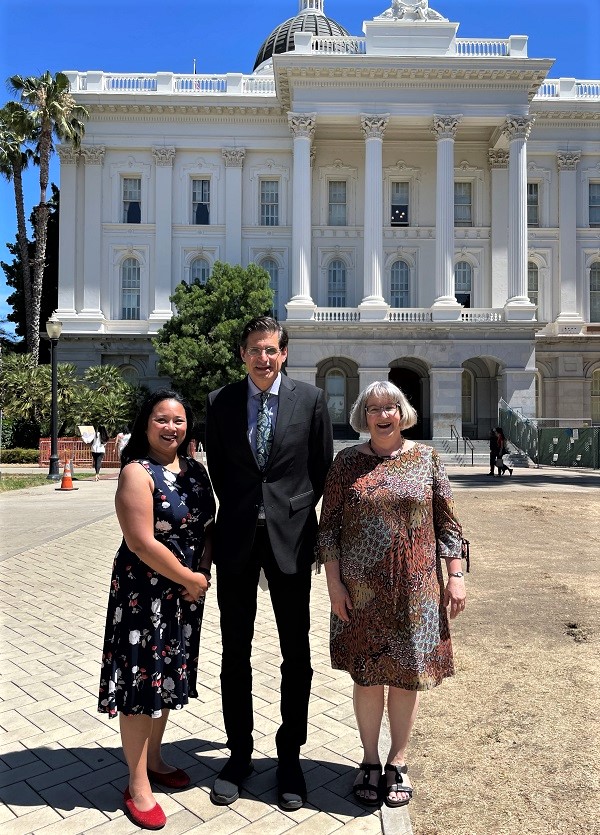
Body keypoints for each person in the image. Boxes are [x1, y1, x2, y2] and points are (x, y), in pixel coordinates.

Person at [317, 381, 466, 809]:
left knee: (405, 678)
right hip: (359, 594)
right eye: (373, 408)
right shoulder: (346, 463)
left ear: (403, 413)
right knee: (366, 676)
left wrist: (455, 575)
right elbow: (327, 530)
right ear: (362, 416)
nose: (382, 415)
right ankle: (368, 761)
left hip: (415, 591)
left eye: (390, 407)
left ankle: (397, 761)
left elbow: (448, 524)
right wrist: (334, 585)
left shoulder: (427, 459)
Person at [205, 315, 333, 811]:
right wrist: (243, 508)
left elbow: (320, 467)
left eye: (271, 350)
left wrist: (292, 509)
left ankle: (290, 756)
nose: (263, 357)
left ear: (284, 354)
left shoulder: (311, 400)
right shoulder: (221, 403)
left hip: (292, 540)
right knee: (234, 652)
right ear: (243, 354)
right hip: (237, 538)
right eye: (254, 349)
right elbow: (219, 466)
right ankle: (239, 754)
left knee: (294, 652)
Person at [98, 390, 215, 830]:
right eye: (162, 419)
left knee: (164, 679)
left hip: (184, 595)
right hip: (143, 593)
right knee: (139, 681)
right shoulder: (135, 472)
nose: (171, 427)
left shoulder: (195, 471)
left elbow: (208, 526)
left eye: (179, 420)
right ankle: (136, 780)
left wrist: (199, 573)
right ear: (146, 424)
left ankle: (157, 759)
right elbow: (140, 542)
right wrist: (189, 579)